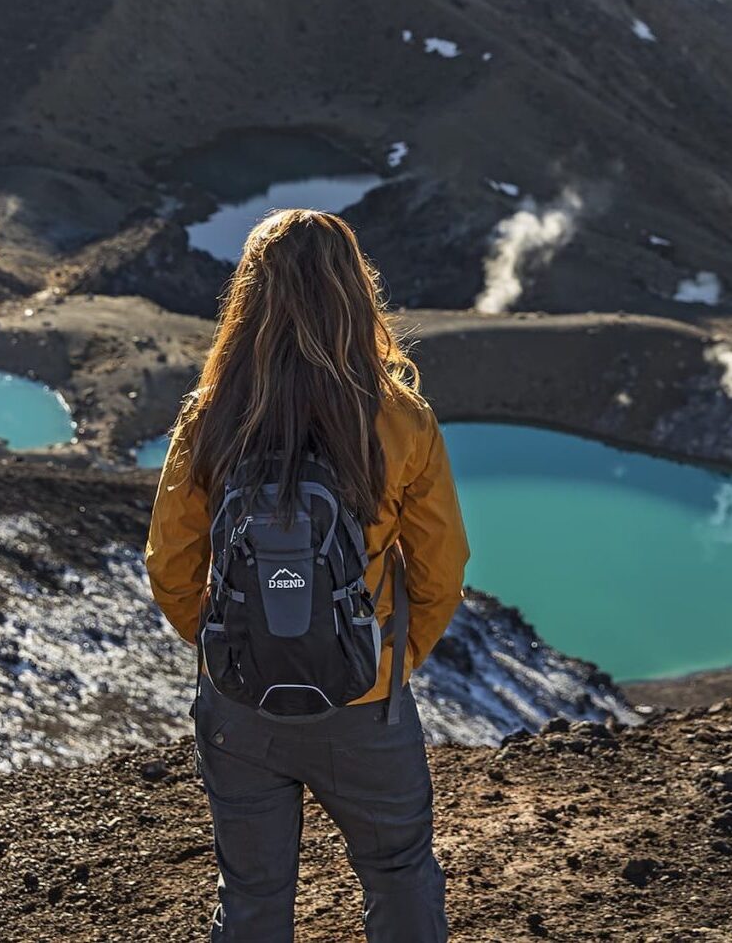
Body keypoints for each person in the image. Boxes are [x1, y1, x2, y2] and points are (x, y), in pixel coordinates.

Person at [145, 207, 469, 942]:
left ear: (249, 298)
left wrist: (232, 643)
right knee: (399, 873)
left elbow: (170, 566)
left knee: (254, 897)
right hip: (365, 703)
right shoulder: (400, 418)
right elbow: (442, 568)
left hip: (239, 705)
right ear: (355, 292)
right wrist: (388, 661)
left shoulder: (210, 418)